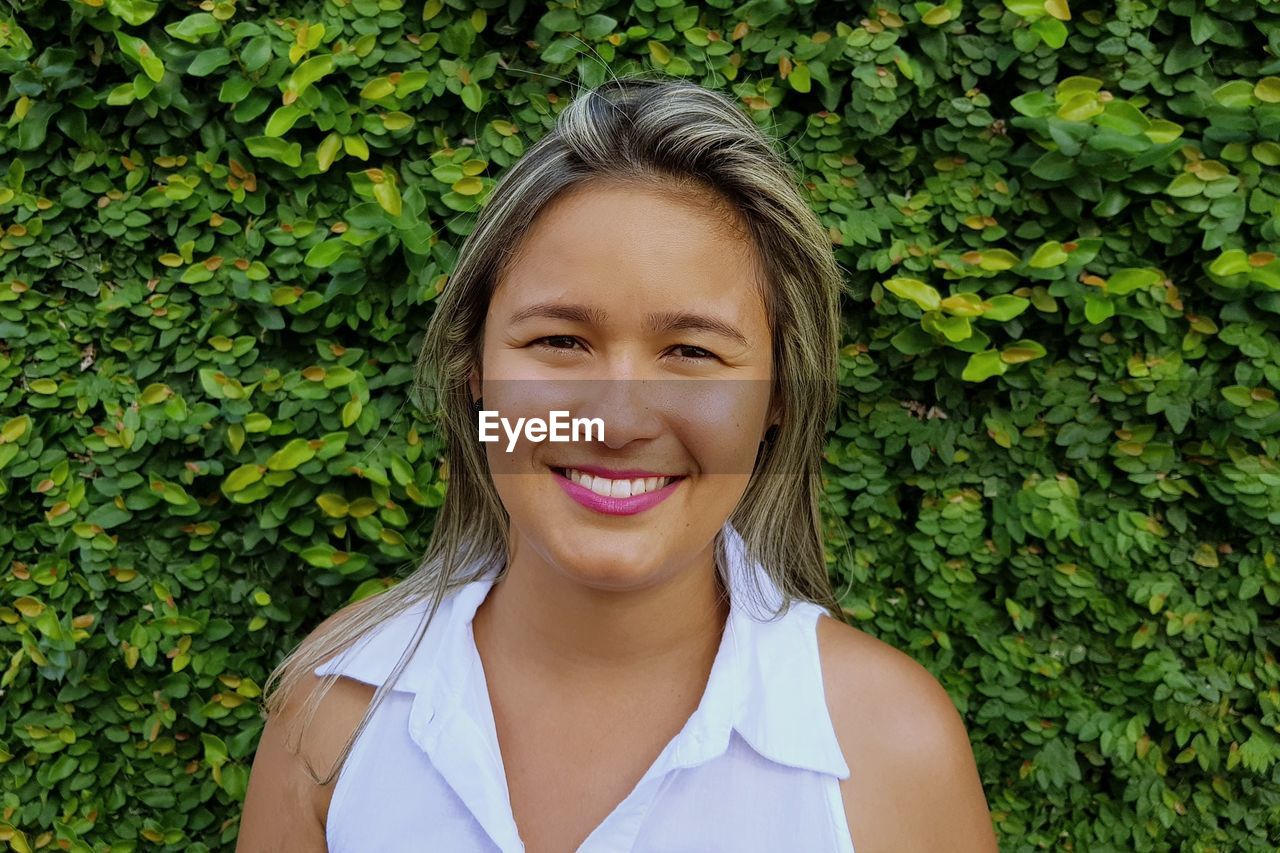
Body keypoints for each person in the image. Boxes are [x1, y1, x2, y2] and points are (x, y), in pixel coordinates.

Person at [238, 75, 999, 852]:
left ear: (778, 396)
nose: (615, 421)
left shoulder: (892, 748)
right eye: (560, 342)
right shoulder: (334, 704)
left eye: (693, 351)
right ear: (474, 369)